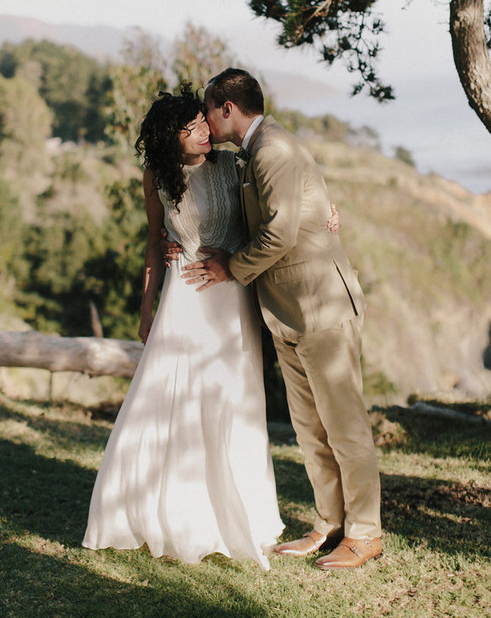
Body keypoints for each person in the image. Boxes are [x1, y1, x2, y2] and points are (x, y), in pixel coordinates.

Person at [180, 68, 382, 570]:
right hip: (286, 314)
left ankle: (365, 533)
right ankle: (328, 523)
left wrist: (229, 267)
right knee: (311, 428)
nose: (204, 119)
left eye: (208, 108)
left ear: (227, 108)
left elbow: (280, 234)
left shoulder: (272, 149)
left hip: (321, 308)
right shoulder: (251, 152)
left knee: (345, 427)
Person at [82, 84, 284, 570]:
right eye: (191, 126)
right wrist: (146, 306)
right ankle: (165, 513)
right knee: (167, 401)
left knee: (231, 402)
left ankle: (240, 515)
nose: (203, 131)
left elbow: (279, 205)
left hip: (230, 299)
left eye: (203, 120)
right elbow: (154, 242)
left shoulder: (232, 166)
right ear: (170, 137)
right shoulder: (156, 177)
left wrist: (327, 214)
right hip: (181, 297)